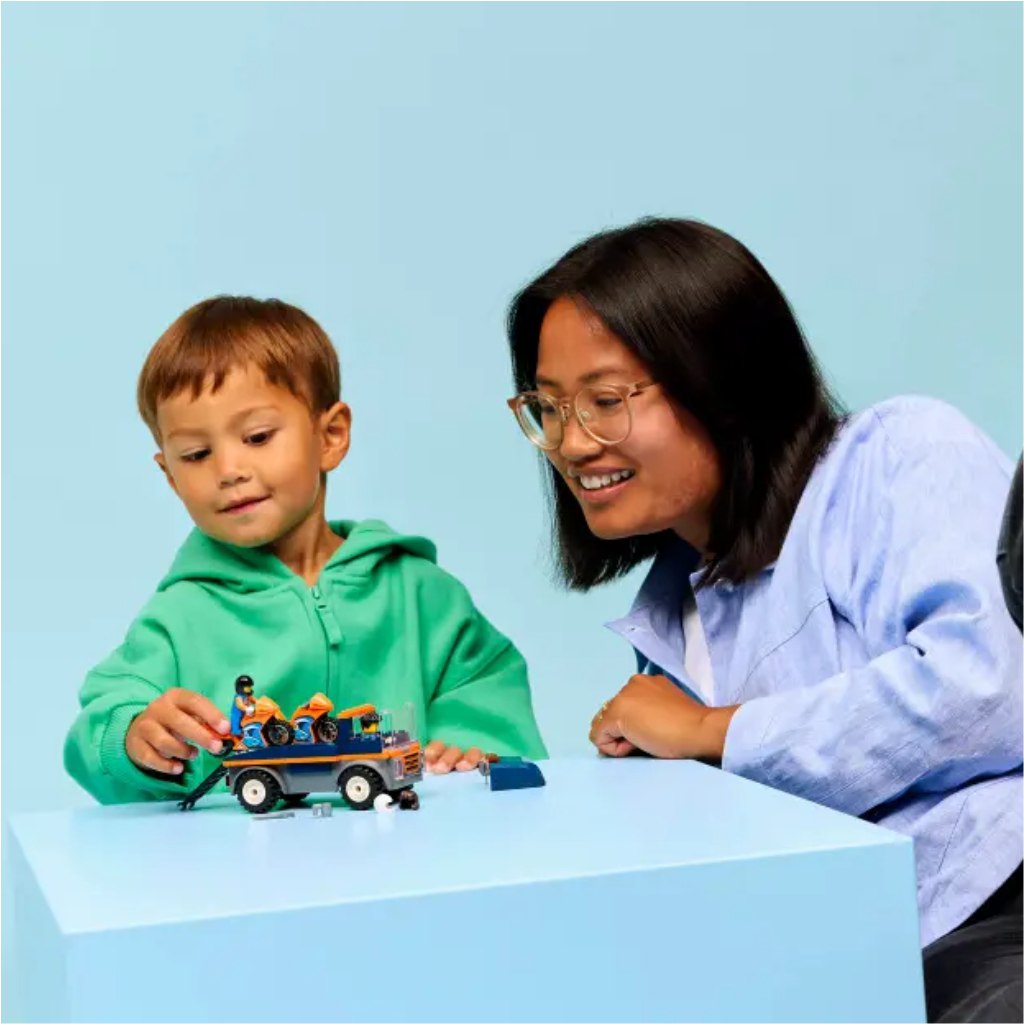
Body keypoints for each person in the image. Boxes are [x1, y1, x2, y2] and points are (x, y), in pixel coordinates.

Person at [504, 218, 1021, 1022]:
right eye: (550, 408)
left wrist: (713, 732)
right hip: (857, 959)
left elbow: (987, 687)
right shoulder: (673, 616)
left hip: (997, 912)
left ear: (722, 382)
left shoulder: (899, 454)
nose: (572, 444)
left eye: (604, 402)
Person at [65, 296, 546, 804]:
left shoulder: (421, 594)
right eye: (196, 454)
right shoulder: (179, 617)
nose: (228, 470)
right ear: (170, 475)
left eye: (257, 437)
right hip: (243, 853)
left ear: (330, 436)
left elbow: (487, 691)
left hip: (408, 846)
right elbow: (102, 722)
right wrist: (133, 736)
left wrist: (464, 748)